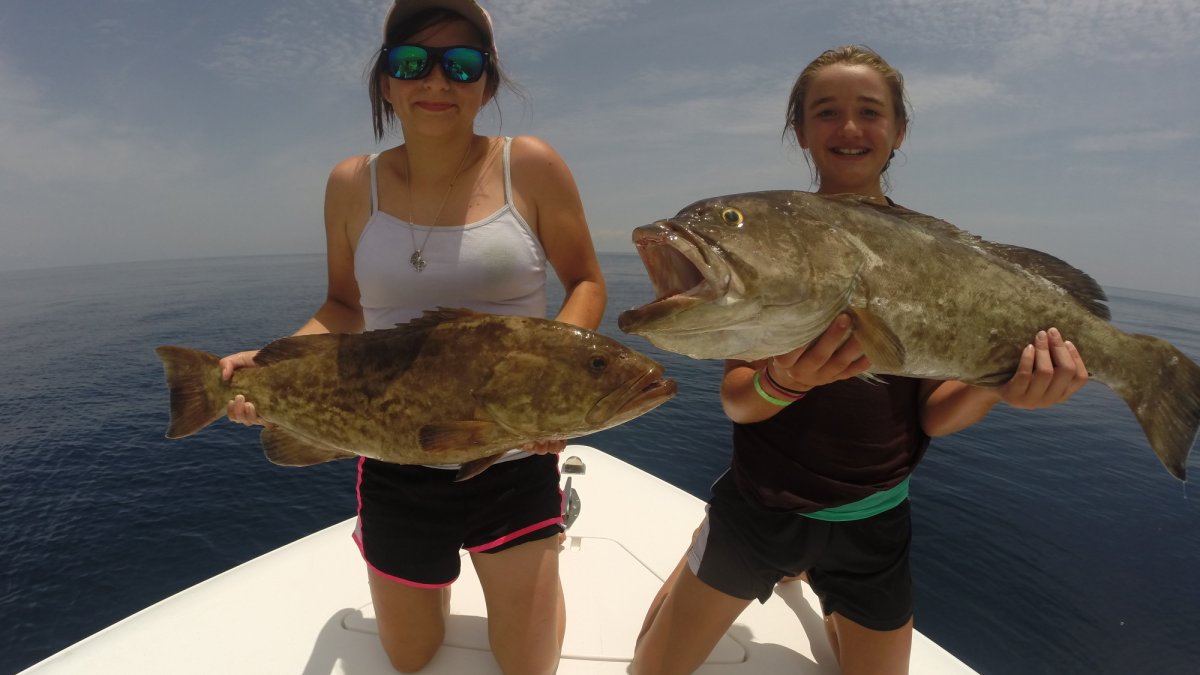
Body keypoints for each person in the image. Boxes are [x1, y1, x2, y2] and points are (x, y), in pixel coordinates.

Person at [631, 45, 1088, 675]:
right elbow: (739, 401)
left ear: (899, 131)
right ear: (801, 131)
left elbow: (933, 418)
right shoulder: (775, 261)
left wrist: (1001, 387)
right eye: (826, 112)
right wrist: (785, 380)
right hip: (760, 509)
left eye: (869, 112)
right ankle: (720, 556)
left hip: (874, 524)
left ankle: (807, 582)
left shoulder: (938, 255)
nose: (848, 127)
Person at [219, 1, 606, 673]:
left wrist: (553, 383)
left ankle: (548, 516)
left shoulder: (532, 166)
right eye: (412, 63)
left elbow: (587, 283)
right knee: (409, 656)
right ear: (386, 82)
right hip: (395, 456)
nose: (437, 82)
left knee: (529, 664)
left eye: (461, 64)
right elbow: (343, 305)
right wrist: (274, 361)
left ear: (487, 83)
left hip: (512, 457)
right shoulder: (350, 185)